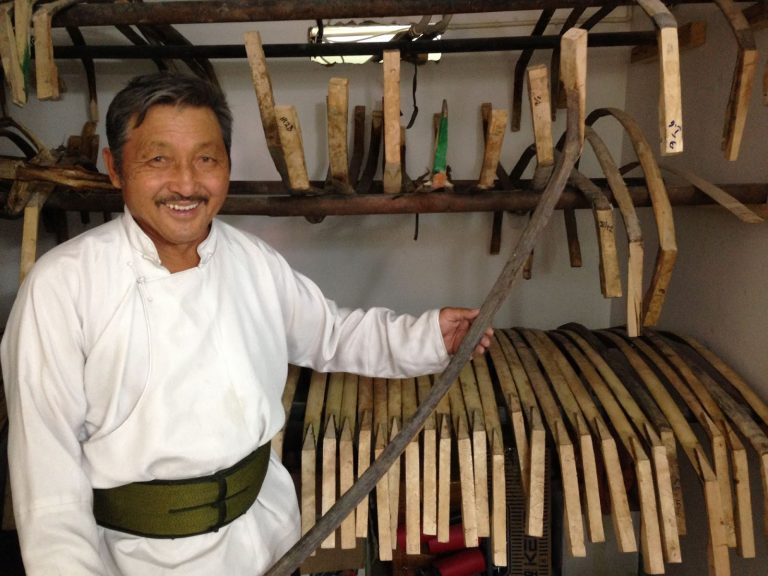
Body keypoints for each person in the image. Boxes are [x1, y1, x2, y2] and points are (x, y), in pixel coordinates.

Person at [1, 72, 493, 575]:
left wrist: (430, 336)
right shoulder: (62, 287)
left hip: (266, 536)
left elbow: (330, 335)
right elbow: (49, 488)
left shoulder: (251, 260)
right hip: (136, 558)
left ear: (228, 166)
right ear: (114, 168)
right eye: (158, 159)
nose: (187, 183)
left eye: (206, 158)